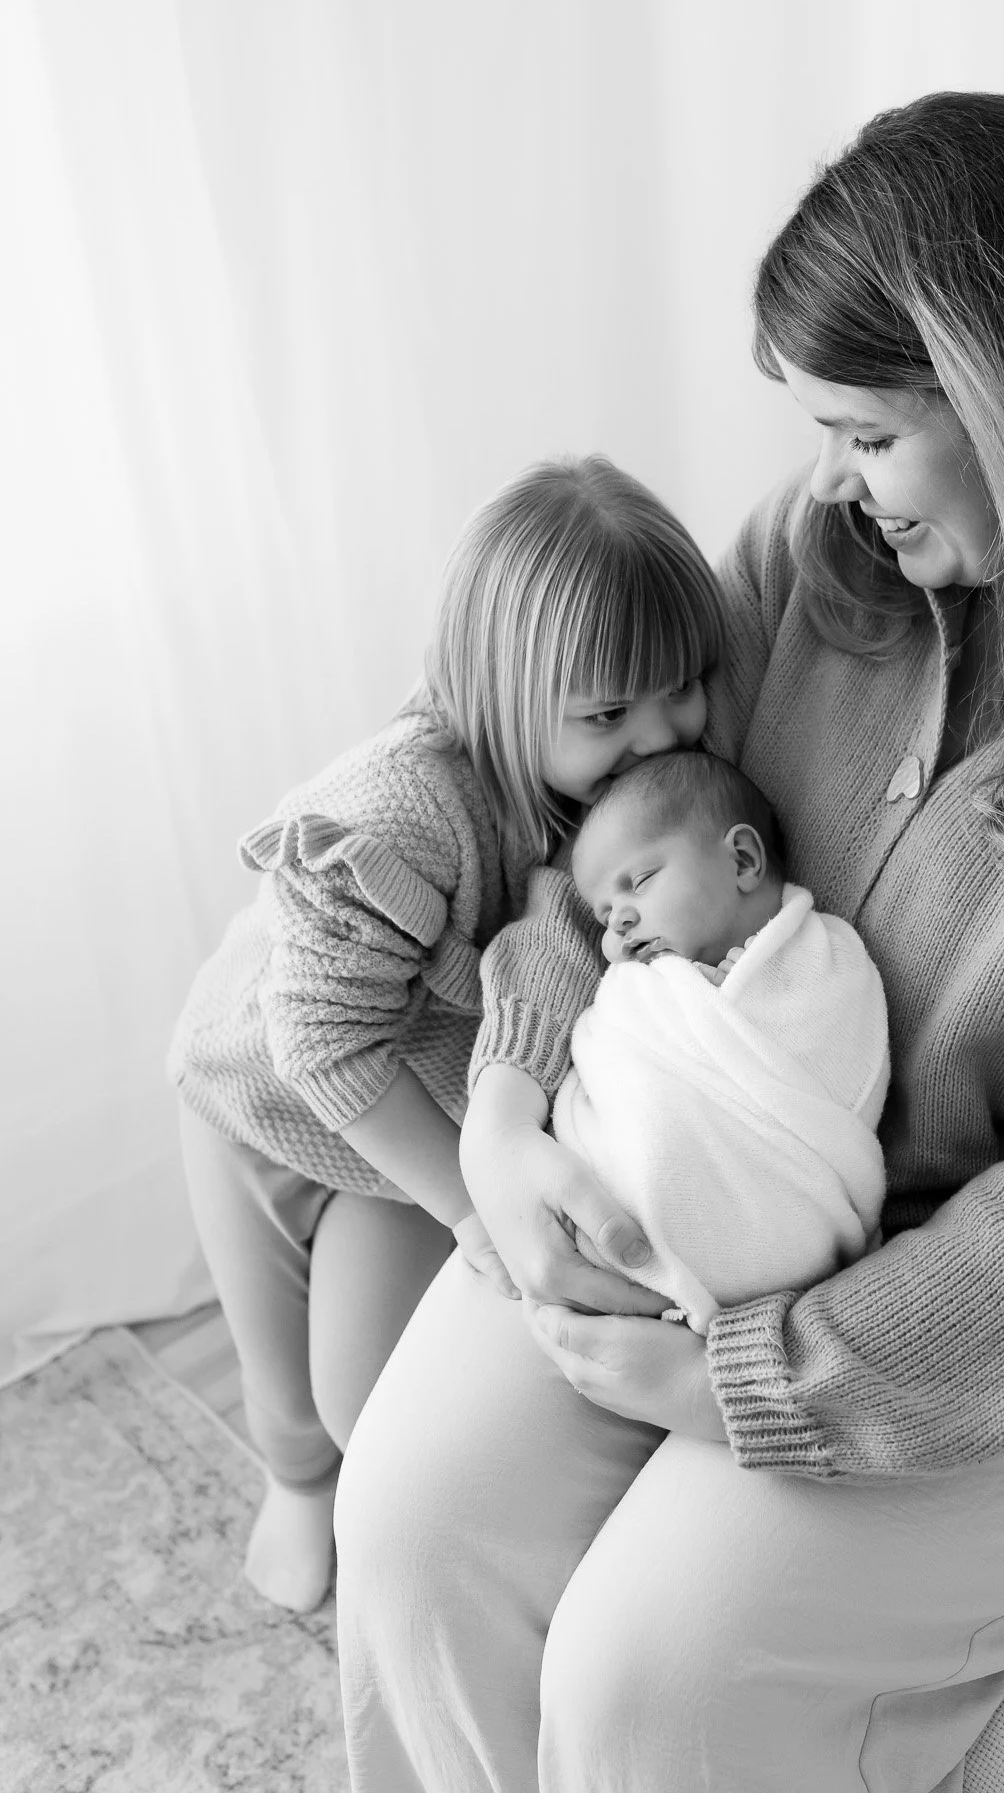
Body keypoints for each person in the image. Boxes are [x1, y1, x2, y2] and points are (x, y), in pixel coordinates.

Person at [334, 92, 1004, 1793]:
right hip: (747, 1175)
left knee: (650, 1676)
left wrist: (763, 1374)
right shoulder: (828, 558)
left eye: (873, 433)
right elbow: (615, 836)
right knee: (415, 1514)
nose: (836, 481)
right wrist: (506, 1112)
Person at [168, 454, 724, 1613]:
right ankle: (294, 1482)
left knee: (366, 1398)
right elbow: (322, 1039)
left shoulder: (617, 795)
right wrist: (470, 1203)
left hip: (403, 1094)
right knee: (291, 1398)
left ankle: (340, 1466)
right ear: (502, 694)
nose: (663, 731)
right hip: (261, 1098)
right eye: (610, 713)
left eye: (686, 686)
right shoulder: (408, 809)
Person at [553, 749, 889, 1331]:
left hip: (785, 1236)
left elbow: (840, 1082)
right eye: (604, 914)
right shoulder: (649, 996)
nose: (619, 923)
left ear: (741, 859)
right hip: (605, 1248)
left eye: (639, 882)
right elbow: (612, 1063)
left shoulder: (825, 963)